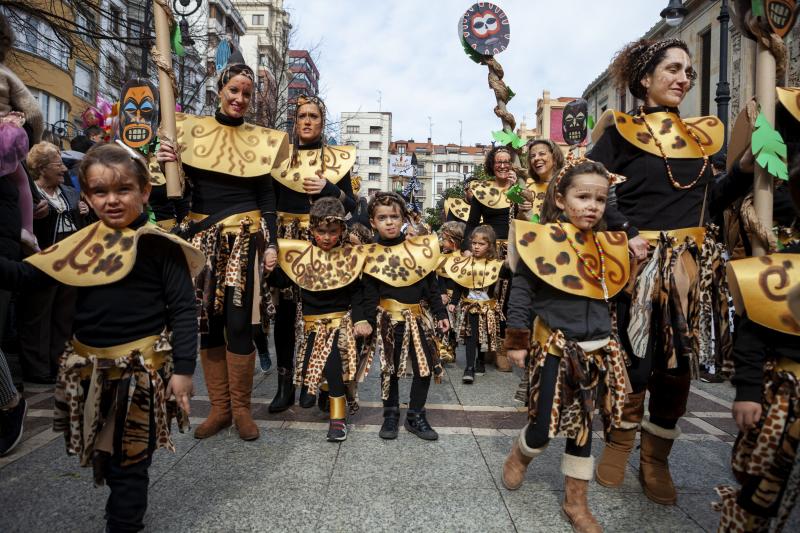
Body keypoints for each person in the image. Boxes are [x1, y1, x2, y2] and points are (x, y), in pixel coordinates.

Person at [0, 142, 202, 531]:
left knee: (130, 459)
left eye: (123, 189)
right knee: (107, 456)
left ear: (144, 191)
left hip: (139, 373)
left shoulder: (160, 246)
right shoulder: (82, 242)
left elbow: (182, 310)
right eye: (100, 191)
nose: (112, 200)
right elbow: (28, 275)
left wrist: (183, 370)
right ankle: (124, 506)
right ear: (88, 196)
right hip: (89, 372)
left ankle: (123, 522)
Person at [588, 38, 754, 505]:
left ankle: (656, 459)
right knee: (635, 364)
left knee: (677, 369)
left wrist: (742, 169)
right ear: (645, 78)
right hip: (636, 266)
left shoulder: (700, 137)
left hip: (688, 271)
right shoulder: (620, 132)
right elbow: (588, 187)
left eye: (688, 71)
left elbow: (711, 201)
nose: (684, 78)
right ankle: (619, 444)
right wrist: (626, 231)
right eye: (674, 69)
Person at [156, 55, 289, 441]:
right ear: (219, 91)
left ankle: (243, 410)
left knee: (239, 324)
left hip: (245, 242)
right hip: (204, 243)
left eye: (247, 93)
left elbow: (267, 198)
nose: (240, 98)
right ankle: (220, 409)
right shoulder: (190, 132)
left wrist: (271, 244)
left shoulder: (261, 141)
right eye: (234, 90)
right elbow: (176, 199)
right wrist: (168, 166)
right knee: (208, 324)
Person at [501, 159, 630, 533]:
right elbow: (521, 292)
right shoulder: (540, 240)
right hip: (555, 350)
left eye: (600, 199)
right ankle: (521, 454)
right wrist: (517, 340)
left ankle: (576, 502)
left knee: (583, 428)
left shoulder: (608, 245)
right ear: (560, 199)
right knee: (543, 427)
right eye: (583, 197)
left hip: (596, 352)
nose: (592, 206)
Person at [268, 95, 357, 413]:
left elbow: (352, 206)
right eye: (302, 116)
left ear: (322, 122)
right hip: (288, 243)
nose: (307, 121)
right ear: (295, 121)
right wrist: (271, 244)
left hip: (323, 242)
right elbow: (269, 204)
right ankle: (285, 386)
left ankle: (319, 383)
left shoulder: (336, 159)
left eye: (314, 116)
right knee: (286, 314)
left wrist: (329, 188)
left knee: (321, 314)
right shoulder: (279, 158)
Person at [270, 197, 369, 441]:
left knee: (332, 363)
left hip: (339, 323)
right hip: (311, 325)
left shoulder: (348, 256)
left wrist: (360, 320)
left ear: (341, 230)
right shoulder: (302, 256)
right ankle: (325, 390)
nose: (326, 237)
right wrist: (269, 268)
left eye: (333, 231)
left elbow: (356, 293)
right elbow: (283, 281)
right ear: (312, 229)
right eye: (321, 231)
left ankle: (338, 418)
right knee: (318, 372)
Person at [361, 192, 449, 440]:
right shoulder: (370, 253)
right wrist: (367, 322)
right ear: (373, 222)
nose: (389, 222)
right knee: (389, 368)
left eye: (394, 216)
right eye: (382, 218)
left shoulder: (419, 249)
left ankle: (416, 415)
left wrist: (440, 312)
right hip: (388, 321)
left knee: (424, 367)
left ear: (403, 219)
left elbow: (431, 285)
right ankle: (390, 414)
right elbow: (368, 293)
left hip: (418, 318)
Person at [19, 142, 87, 383]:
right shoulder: (29, 194)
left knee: (65, 314)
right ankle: (37, 368)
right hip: (41, 259)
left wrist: (83, 210)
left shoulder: (70, 192)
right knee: (38, 314)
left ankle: (60, 363)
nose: (64, 169)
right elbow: (22, 227)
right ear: (42, 168)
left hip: (70, 260)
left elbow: (82, 223)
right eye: (58, 165)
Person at [445, 225, 507, 383]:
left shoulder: (495, 265)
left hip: (487, 307)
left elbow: (507, 277)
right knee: (471, 336)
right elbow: (459, 283)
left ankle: (480, 360)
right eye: (474, 243)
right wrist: (453, 302)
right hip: (470, 306)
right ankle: (469, 367)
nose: (477, 247)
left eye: (481, 244)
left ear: (490, 246)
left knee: (482, 336)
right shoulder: (466, 263)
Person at [522, 138, 565, 218]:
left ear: (554, 157)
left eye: (542, 154)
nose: (536, 158)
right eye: (532, 156)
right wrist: (522, 211)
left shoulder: (566, 186)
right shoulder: (526, 186)